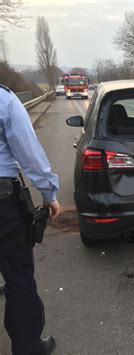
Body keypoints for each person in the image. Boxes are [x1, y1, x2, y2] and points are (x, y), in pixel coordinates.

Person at [0, 84, 60, 354]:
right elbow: (29, 154)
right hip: (3, 205)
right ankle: (27, 346)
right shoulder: (4, 100)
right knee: (19, 276)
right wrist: (49, 193)